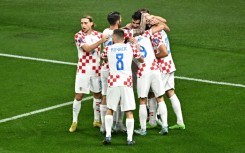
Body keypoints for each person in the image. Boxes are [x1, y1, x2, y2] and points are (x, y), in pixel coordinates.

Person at [128, 11, 169, 136]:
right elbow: (163, 26)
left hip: (143, 71)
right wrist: (152, 18)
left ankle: (143, 129)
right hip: (155, 69)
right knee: (160, 98)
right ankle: (165, 126)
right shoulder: (147, 34)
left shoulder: (128, 43)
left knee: (142, 100)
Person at [101, 29, 144, 145]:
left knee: (110, 109)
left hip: (113, 82)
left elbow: (103, 57)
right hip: (126, 82)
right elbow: (141, 59)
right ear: (124, 38)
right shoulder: (130, 47)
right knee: (128, 111)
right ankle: (129, 139)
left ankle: (108, 135)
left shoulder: (108, 48)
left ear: (114, 38)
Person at [69, 15, 109, 132]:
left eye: (85, 23)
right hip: (83, 70)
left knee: (97, 95)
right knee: (79, 95)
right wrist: (101, 41)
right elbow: (87, 49)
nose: (83, 25)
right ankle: (74, 121)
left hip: (96, 70)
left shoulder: (98, 34)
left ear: (91, 23)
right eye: (82, 23)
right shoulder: (79, 36)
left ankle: (96, 120)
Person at [100, 11, 126, 133]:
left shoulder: (105, 32)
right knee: (120, 96)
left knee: (105, 95)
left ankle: (104, 126)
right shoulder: (121, 34)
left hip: (105, 68)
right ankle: (119, 123)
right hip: (116, 71)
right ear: (117, 22)